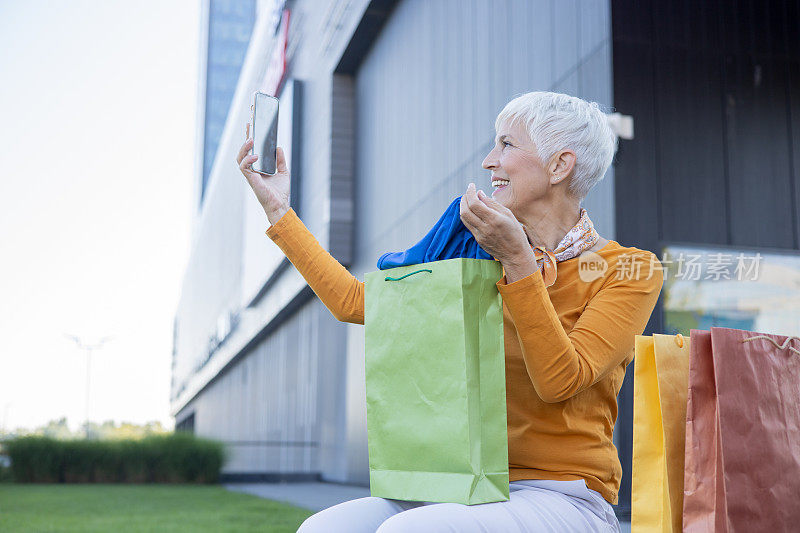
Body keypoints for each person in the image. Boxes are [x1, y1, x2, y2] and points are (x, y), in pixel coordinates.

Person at [236, 91, 663, 532]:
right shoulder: (473, 249)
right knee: (323, 529)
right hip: (465, 482)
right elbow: (356, 303)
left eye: (506, 145)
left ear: (559, 165)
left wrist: (519, 264)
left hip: (563, 493)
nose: (488, 161)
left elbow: (560, 380)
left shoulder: (628, 270)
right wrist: (279, 211)